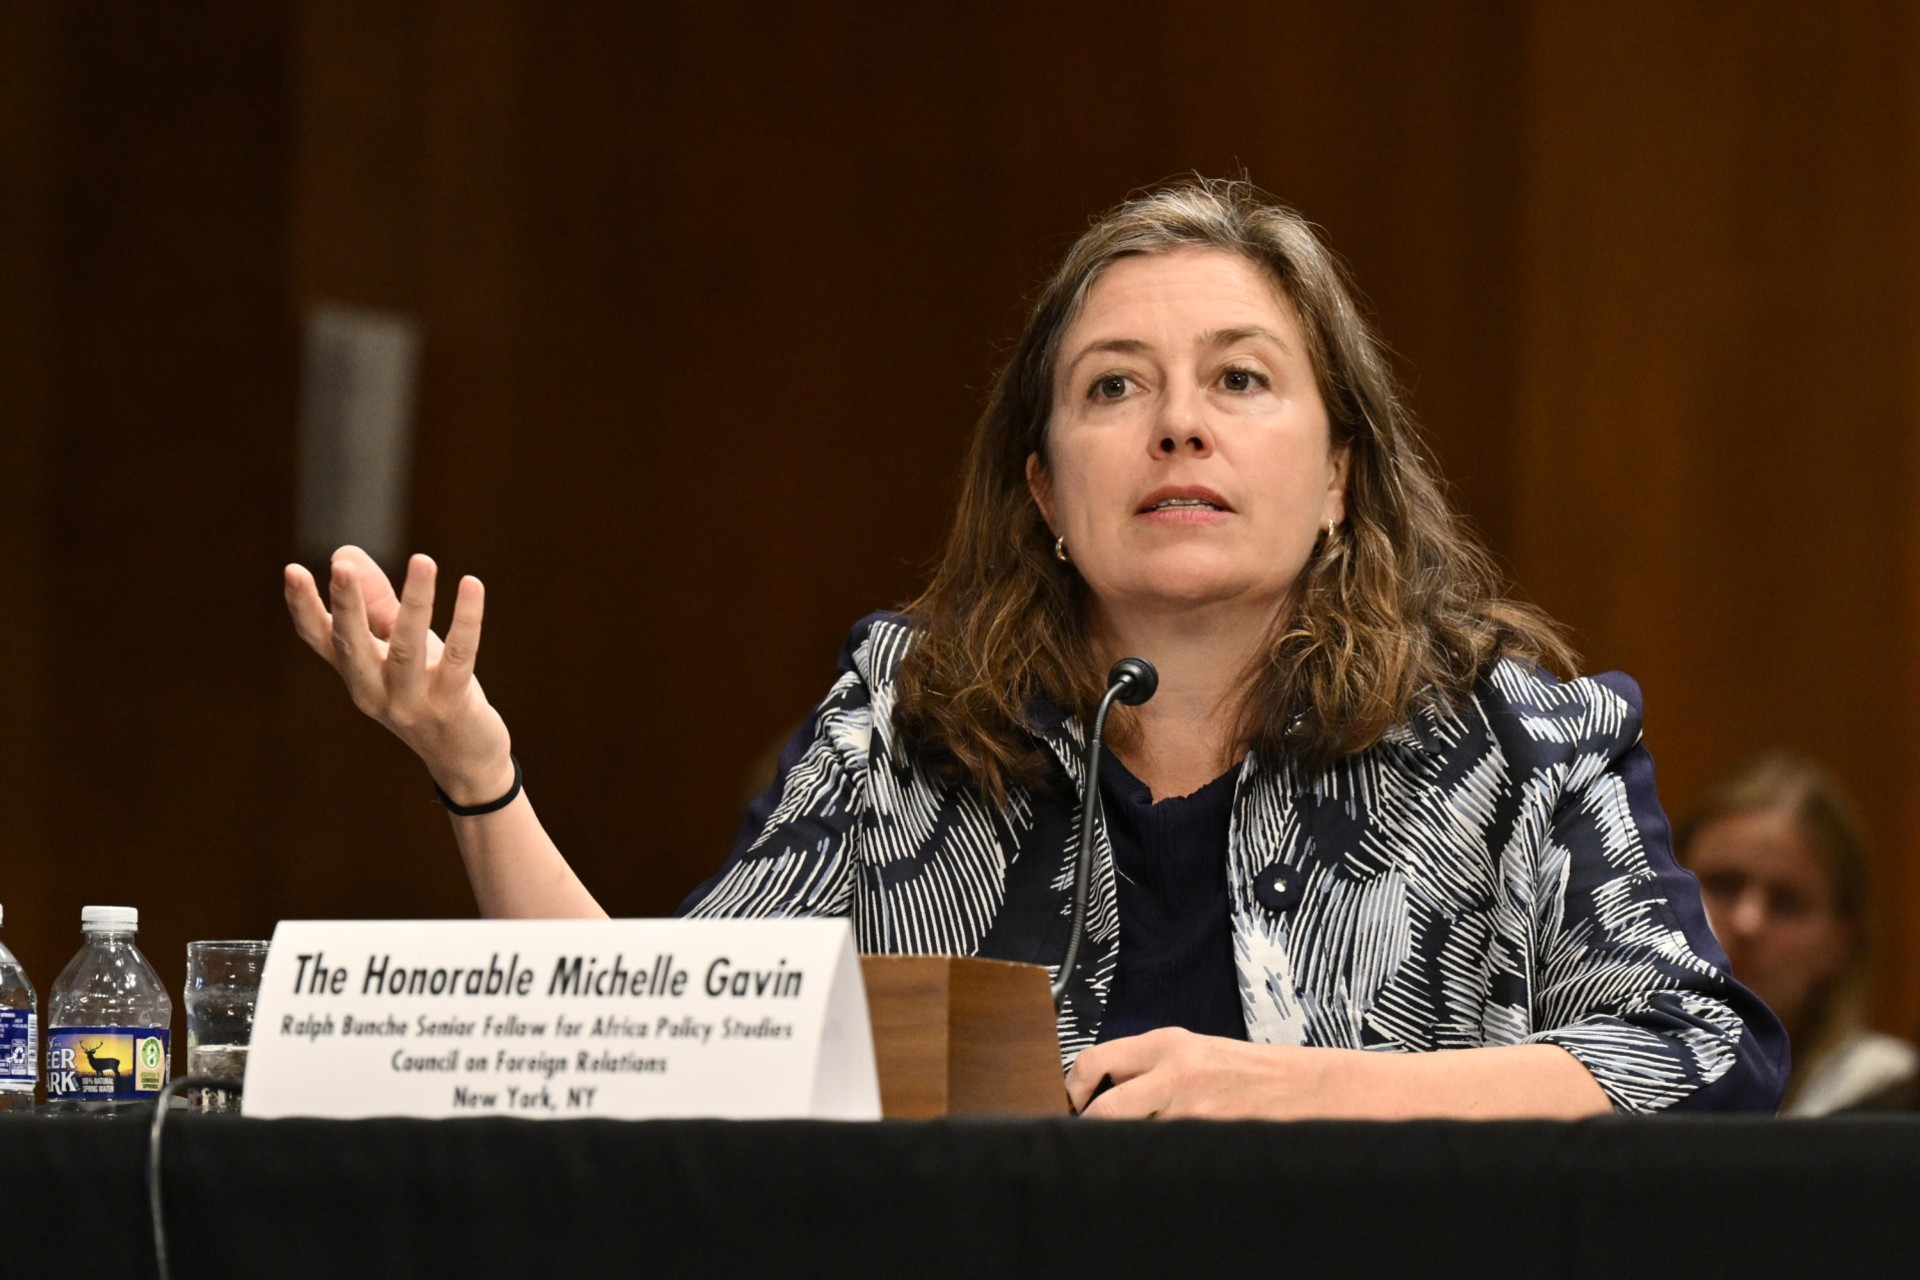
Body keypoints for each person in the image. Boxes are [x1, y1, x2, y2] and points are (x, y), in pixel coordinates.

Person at [285, 178, 1786, 1119]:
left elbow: (1703, 1056)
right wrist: (478, 775)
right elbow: (666, 1048)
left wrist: (1304, 1090)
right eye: (1114, 386)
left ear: (1340, 474)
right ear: (1048, 492)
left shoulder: (1516, 738)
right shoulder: (907, 722)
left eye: (1240, 380)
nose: (1177, 424)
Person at [1677, 752, 1915, 1115]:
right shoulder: (1603, 1066)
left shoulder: (1884, 1091)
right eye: (1723, 885)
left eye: (1787, 903)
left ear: (1840, 943)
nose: (1747, 922)